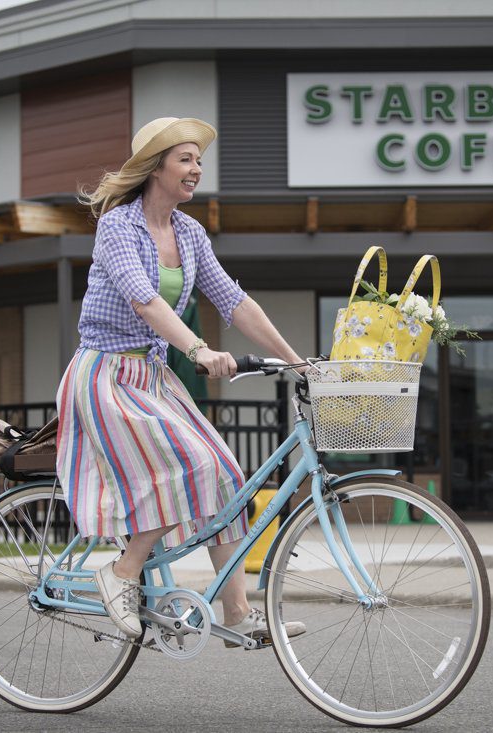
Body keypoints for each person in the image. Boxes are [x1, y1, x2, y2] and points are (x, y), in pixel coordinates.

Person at [57, 117, 306, 644]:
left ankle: (236, 612)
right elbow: (144, 300)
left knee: (228, 475)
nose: (196, 169)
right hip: (105, 375)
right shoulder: (118, 227)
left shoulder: (190, 233)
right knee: (190, 463)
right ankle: (122, 571)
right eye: (185, 159)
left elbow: (234, 301)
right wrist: (197, 349)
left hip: (152, 376)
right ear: (156, 168)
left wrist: (296, 360)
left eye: (198, 161)